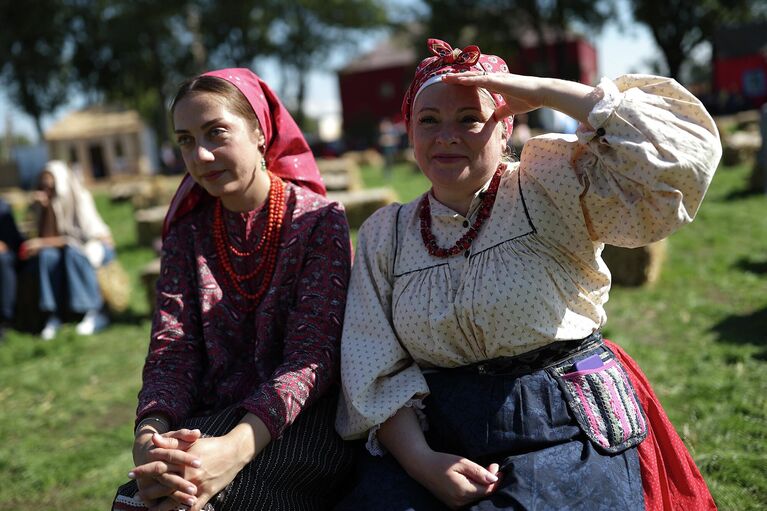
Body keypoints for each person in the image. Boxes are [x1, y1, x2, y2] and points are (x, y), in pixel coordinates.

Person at [335, 38, 720, 510]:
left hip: (565, 421)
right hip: (439, 433)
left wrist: (541, 89)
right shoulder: (386, 234)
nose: (446, 136)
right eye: (428, 120)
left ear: (505, 130)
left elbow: (680, 157)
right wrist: (422, 462)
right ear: (409, 132)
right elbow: (372, 362)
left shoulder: (547, 182)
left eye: (470, 119)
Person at [112, 68, 353, 511]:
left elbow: (311, 358)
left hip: (305, 424)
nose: (200, 155)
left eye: (216, 132)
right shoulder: (187, 235)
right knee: (139, 500)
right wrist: (150, 435)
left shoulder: (319, 221)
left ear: (261, 133)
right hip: (207, 422)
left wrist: (234, 449)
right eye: (185, 139)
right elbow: (173, 349)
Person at [20, 160, 114, 340]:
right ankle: (53, 314)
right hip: (64, 247)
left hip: (90, 247)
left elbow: (80, 238)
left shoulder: (79, 198)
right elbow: (46, 237)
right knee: (46, 256)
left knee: (73, 254)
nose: (45, 191)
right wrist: (45, 210)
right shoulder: (46, 205)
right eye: (42, 186)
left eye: (50, 186)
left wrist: (41, 242)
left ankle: (94, 311)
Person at [0, 197, 24, 340]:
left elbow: (10, 242)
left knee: (2, 260)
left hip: (8, 255)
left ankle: (4, 320)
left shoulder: (2, 207)